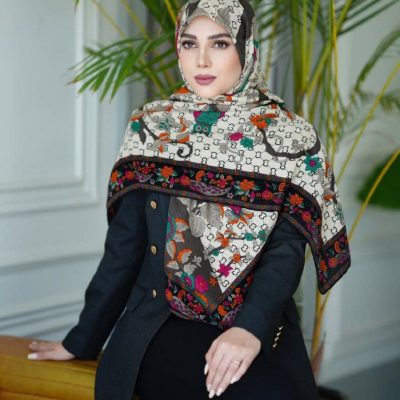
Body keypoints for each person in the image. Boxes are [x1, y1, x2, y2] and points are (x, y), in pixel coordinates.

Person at [26, 1, 351, 399]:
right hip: (164, 324)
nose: (201, 60)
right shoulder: (153, 127)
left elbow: (285, 252)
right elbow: (123, 249)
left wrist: (248, 330)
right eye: (189, 43)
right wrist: (82, 339)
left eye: (220, 44)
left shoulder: (291, 137)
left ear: (247, 49)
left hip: (258, 323)